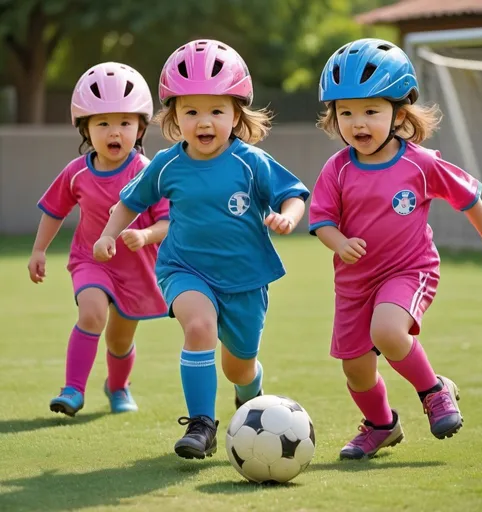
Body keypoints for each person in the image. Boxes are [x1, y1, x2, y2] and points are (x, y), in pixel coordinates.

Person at [93, 39, 310, 459]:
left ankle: (250, 393)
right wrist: (106, 235)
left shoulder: (251, 162)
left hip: (246, 281)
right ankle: (201, 425)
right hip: (184, 268)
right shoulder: (168, 164)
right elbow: (129, 202)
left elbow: (293, 194)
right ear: (174, 117)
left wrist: (288, 216)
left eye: (216, 110)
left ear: (236, 114)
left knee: (239, 366)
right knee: (198, 328)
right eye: (191, 111)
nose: (204, 121)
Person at [309, 38, 482, 460]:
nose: (357, 123)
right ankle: (382, 426)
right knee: (356, 370)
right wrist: (340, 242)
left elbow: (468, 199)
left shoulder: (420, 163)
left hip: (408, 270)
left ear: (399, 113)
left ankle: (433, 391)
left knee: (387, 330)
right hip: (353, 284)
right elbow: (321, 221)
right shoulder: (338, 168)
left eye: (371, 111)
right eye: (346, 112)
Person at [28, 62, 170, 417]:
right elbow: (54, 210)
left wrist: (145, 234)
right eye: (102, 122)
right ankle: (73, 389)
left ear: (139, 128)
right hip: (90, 261)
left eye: (124, 122)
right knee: (91, 315)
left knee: (119, 341)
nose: (114, 131)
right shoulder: (76, 172)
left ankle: (118, 386)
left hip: (137, 270)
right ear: (86, 129)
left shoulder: (148, 172)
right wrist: (39, 250)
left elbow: (170, 223)